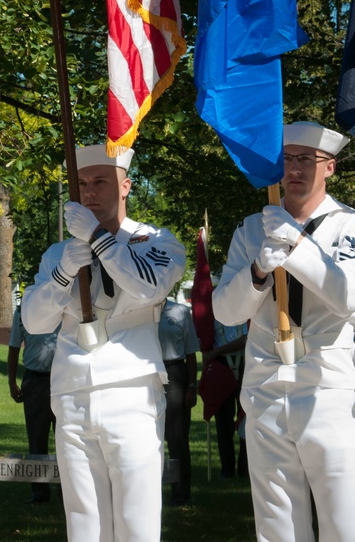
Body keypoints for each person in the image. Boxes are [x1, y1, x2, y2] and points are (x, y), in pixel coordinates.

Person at [22, 144, 186, 542]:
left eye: (100, 182)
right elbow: (34, 320)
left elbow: (147, 287)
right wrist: (64, 271)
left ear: (126, 185)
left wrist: (99, 240)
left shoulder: (158, 241)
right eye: (81, 184)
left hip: (131, 390)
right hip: (72, 392)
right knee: (84, 521)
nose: (89, 192)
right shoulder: (60, 253)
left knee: (136, 521)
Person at [212, 121, 355, 542]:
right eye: (286, 159)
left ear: (329, 167)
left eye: (306, 160)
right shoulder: (251, 229)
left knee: (343, 521)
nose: (293, 169)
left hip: (327, 388)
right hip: (265, 387)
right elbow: (225, 311)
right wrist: (257, 271)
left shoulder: (348, 225)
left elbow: (345, 297)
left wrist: (296, 246)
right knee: (276, 527)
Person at [7, 300, 58, 504]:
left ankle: (69, 489)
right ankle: (39, 490)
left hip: (63, 380)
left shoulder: (64, 306)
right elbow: (13, 347)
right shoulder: (23, 311)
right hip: (34, 380)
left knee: (67, 438)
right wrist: (11, 382)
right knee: (37, 438)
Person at [158, 297, 199, 505]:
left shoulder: (180, 311)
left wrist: (192, 386)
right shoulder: (139, 311)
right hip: (148, 374)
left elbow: (191, 352)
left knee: (177, 437)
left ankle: (180, 493)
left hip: (175, 373)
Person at [203, 320, 248, 479]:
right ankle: (227, 470)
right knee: (223, 423)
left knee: (246, 419)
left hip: (243, 362)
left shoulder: (244, 311)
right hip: (221, 366)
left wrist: (217, 351)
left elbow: (246, 338)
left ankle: (245, 469)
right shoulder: (213, 313)